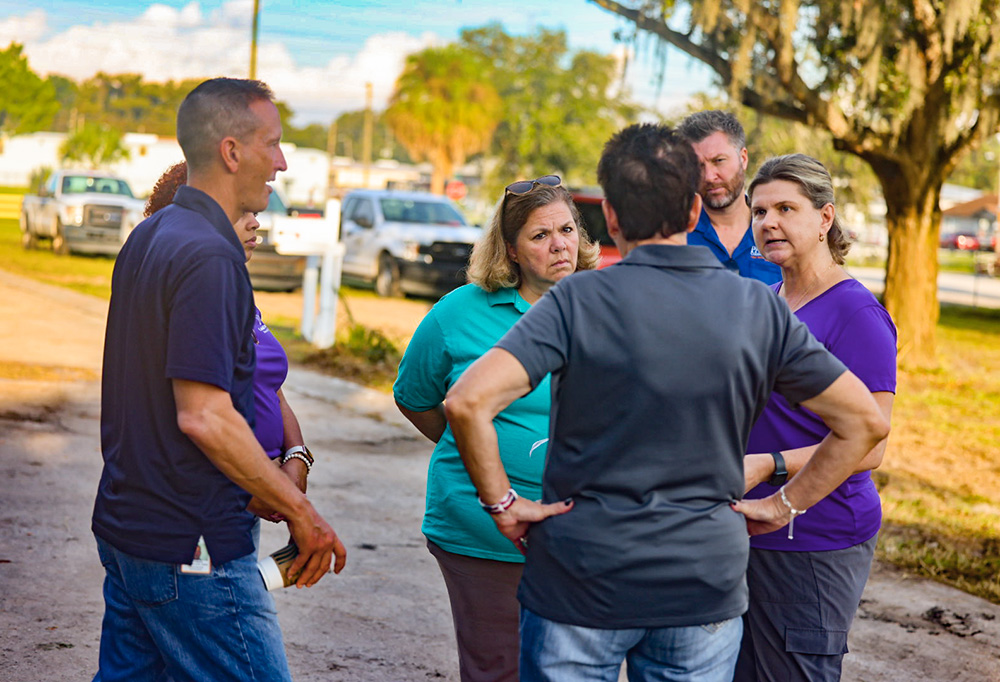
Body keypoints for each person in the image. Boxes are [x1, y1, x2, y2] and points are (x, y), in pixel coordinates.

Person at [443, 123, 890, 682]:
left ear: (608, 217)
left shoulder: (577, 300)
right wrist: (783, 507)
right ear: (692, 211)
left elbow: (465, 402)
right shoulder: (757, 306)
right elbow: (864, 423)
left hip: (582, 580)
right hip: (702, 587)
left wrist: (503, 505)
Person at [92, 78, 346, 682]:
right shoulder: (210, 255)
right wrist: (301, 513)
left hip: (131, 533)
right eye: (273, 144)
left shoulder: (150, 236)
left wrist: (295, 458)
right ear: (232, 152)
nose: (282, 163)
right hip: (192, 546)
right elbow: (203, 414)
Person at [393, 175, 600, 682]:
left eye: (567, 230)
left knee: (565, 667)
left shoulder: (603, 306)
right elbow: (414, 397)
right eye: (539, 235)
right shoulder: (459, 312)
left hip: (580, 529)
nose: (559, 245)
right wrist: (474, 447)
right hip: (481, 529)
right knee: (498, 669)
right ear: (509, 249)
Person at [735, 154, 897, 682]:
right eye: (759, 211)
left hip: (816, 536)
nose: (769, 222)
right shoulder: (768, 299)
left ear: (825, 218)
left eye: (786, 207)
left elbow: (871, 446)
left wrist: (767, 466)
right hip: (751, 527)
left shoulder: (857, 314)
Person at [144, 161, 312, 533]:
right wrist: (255, 490)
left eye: (253, 212)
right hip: (206, 506)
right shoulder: (190, 294)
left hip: (253, 494)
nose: (255, 222)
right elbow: (188, 418)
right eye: (242, 213)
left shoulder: (235, 290)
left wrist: (297, 457)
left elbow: (271, 388)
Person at [678, 110, 782, 284]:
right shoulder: (675, 234)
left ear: (743, 158)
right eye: (698, 166)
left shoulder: (778, 229)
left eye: (719, 161)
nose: (709, 176)